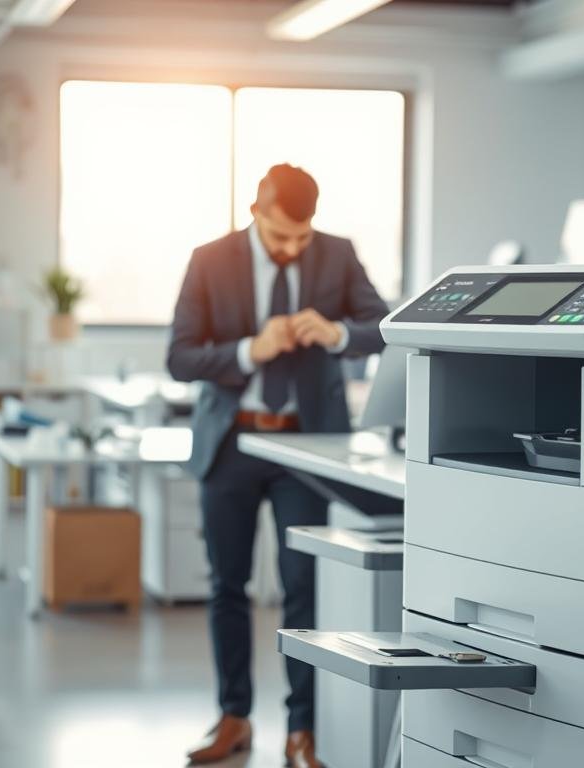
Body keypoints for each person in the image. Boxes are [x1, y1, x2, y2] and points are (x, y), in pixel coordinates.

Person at [167, 164, 389, 768]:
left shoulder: (337, 255)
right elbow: (180, 357)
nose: (293, 250)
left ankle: (302, 731)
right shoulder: (210, 260)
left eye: (303, 237)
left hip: (305, 451)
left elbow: (386, 327)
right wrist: (248, 350)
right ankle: (234, 717)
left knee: (303, 587)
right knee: (226, 586)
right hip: (232, 443)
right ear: (255, 212)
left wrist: (339, 333)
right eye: (281, 236)